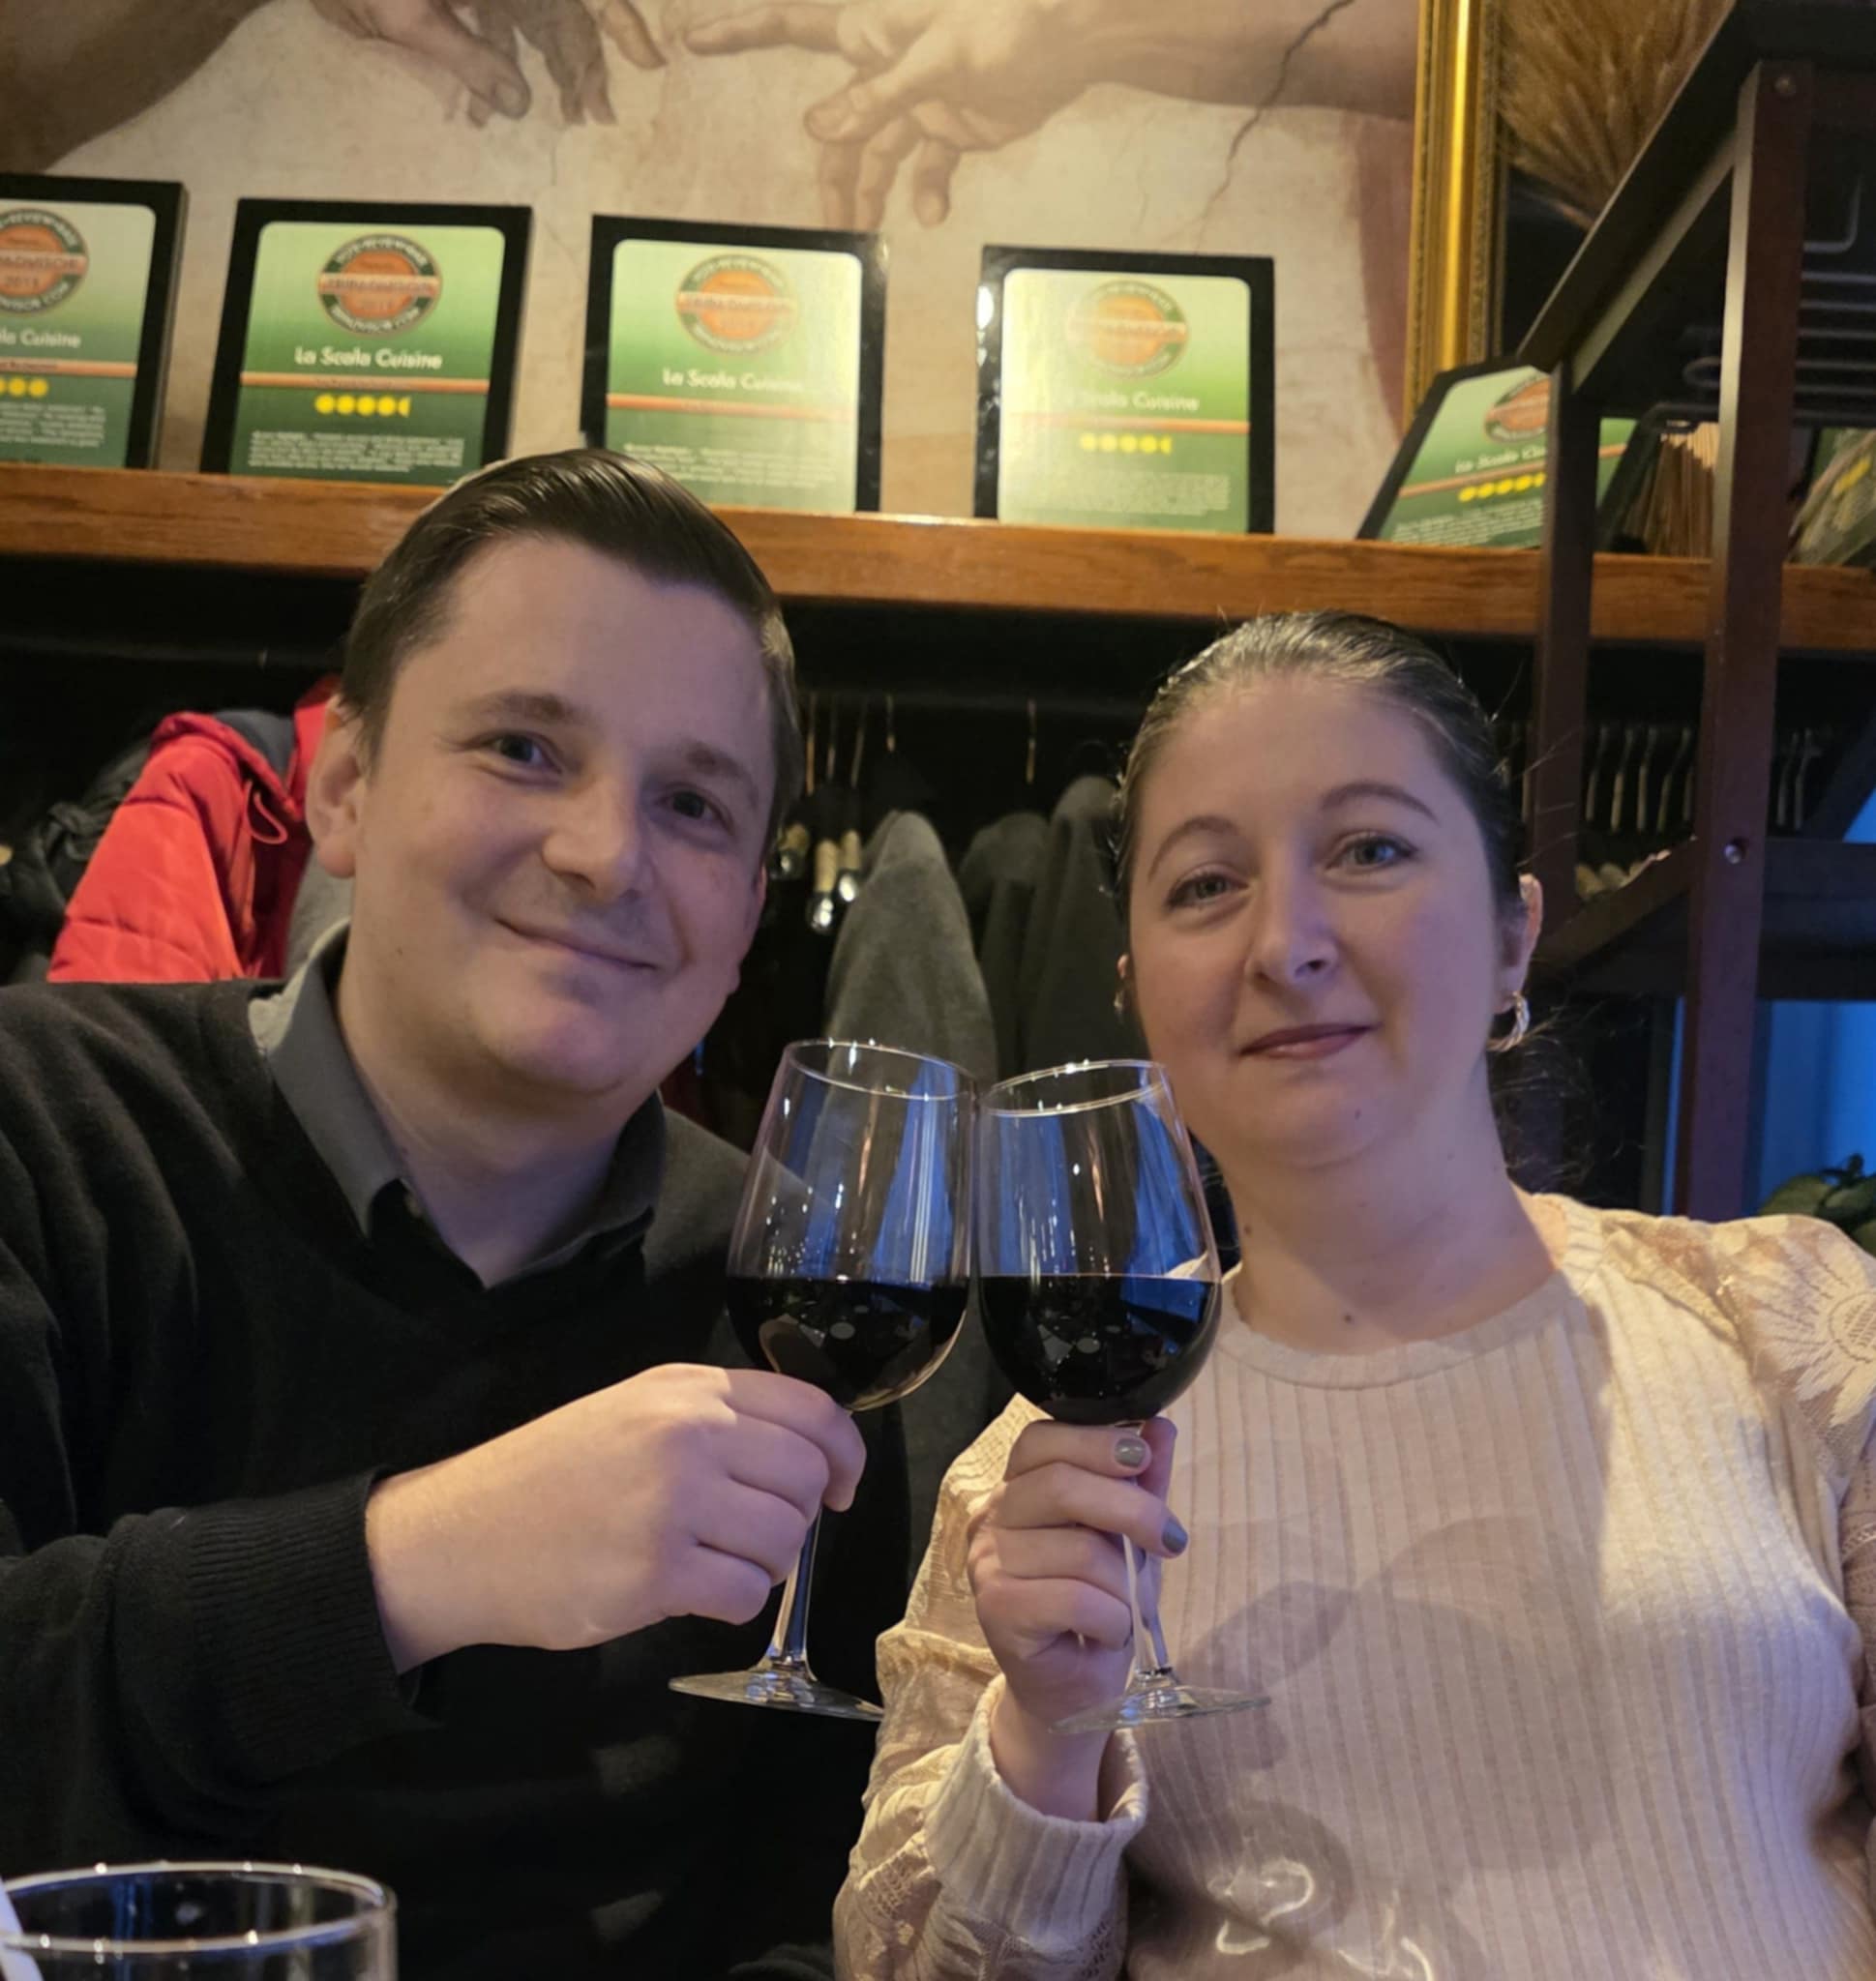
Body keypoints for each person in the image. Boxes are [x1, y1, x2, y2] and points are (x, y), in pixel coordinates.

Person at [836, 609, 1876, 1979]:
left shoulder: (1790, 1326)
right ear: (1137, 992)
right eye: (1207, 884)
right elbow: (903, 1962)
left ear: (1512, 938)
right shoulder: (1042, 1485)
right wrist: (1044, 1735)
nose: (1287, 943)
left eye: (1370, 849)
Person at [0, 449, 908, 1980]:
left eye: (693, 804)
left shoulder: (799, 1282)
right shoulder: (44, 1125)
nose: (604, 853)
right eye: (524, 749)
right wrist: (412, 1564)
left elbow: (823, 1890)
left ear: (752, 911)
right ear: (343, 788)